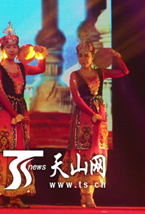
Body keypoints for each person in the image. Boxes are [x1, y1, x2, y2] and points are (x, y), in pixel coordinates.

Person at [0, 22, 48, 208]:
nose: (12, 50)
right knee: (3, 150)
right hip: (3, 112)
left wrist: (42, 56)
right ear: (3, 49)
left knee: (19, 151)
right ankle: (1, 193)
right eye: (8, 47)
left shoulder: (22, 67)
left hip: (20, 110)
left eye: (14, 46)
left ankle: (16, 195)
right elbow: (1, 93)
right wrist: (14, 114)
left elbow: (41, 69)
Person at [58, 38, 128, 208]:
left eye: (86, 55)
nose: (83, 59)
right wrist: (92, 114)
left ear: (92, 56)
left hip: (99, 117)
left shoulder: (100, 73)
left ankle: (88, 194)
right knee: (84, 152)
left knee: (96, 152)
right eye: (80, 56)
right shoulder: (75, 75)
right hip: (83, 116)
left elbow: (124, 72)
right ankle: (86, 194)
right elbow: (77, 98)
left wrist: (117, 57)